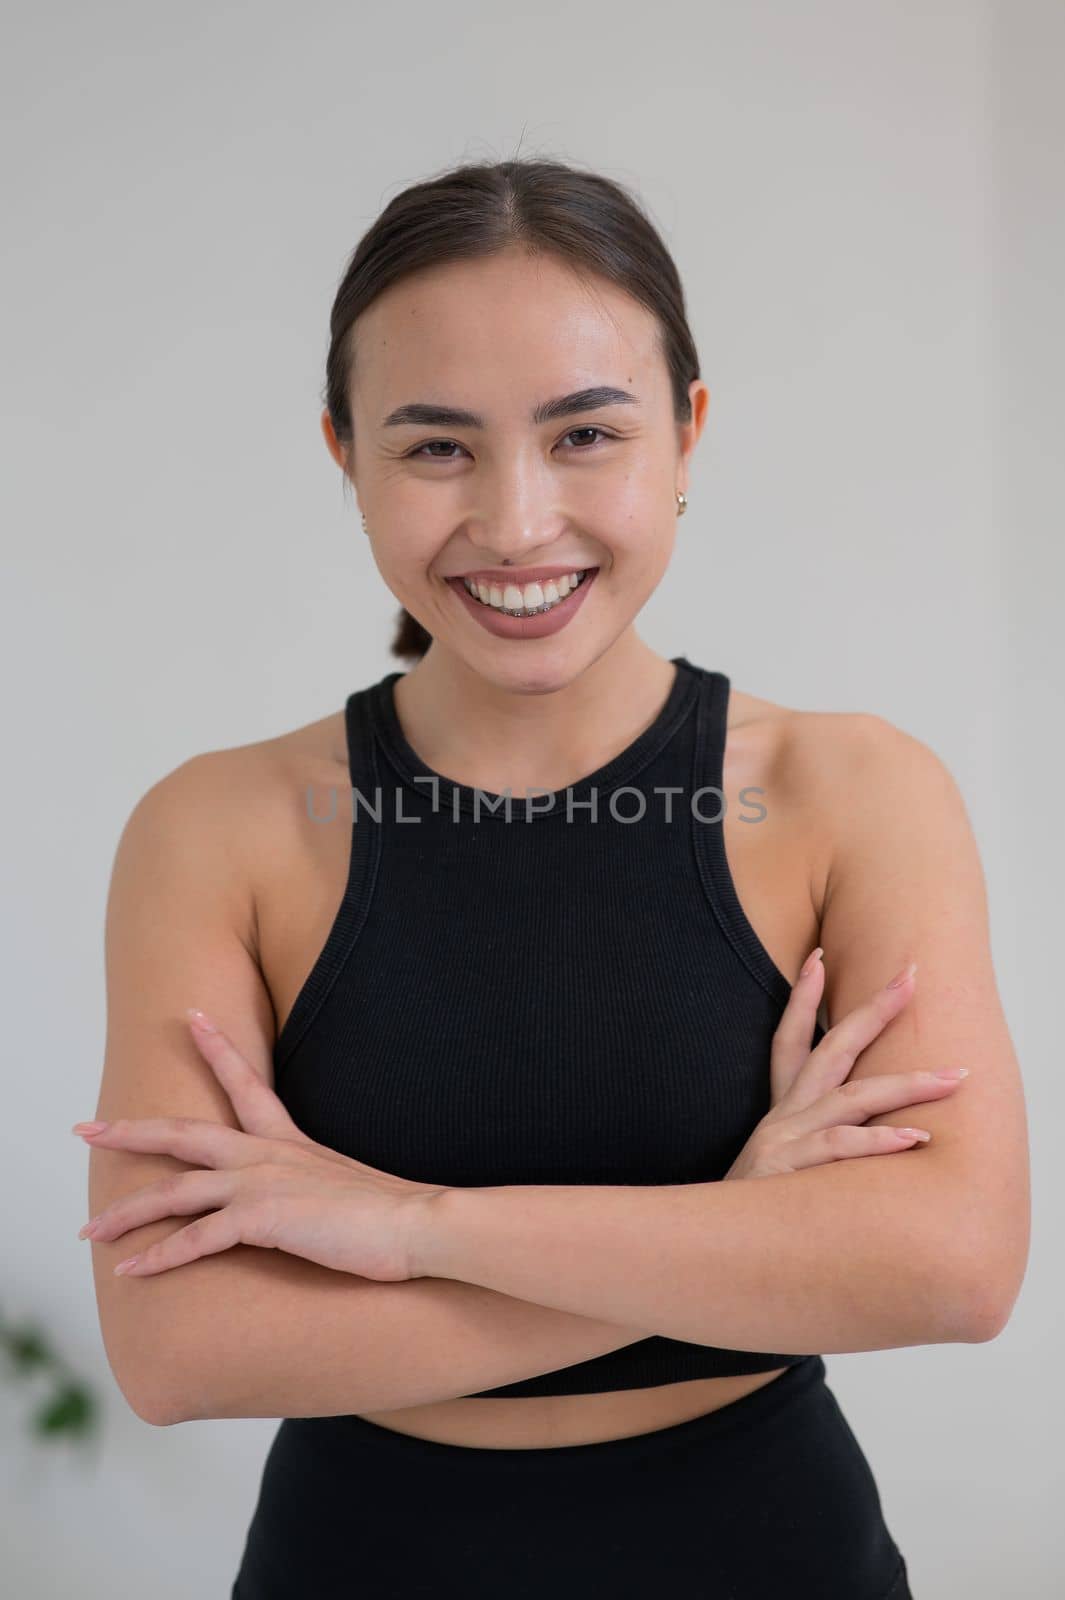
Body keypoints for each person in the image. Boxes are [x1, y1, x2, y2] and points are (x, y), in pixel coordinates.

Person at [79, 157, 1030, 1599]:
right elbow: (180, 1349)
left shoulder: (854, 792)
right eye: (436, 447)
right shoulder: (218, 829)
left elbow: (950, 1268)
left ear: (687, 436)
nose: (518, 524)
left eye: (584, 434)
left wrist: (409, 1232)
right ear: (343, 454)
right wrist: (734, 1230)